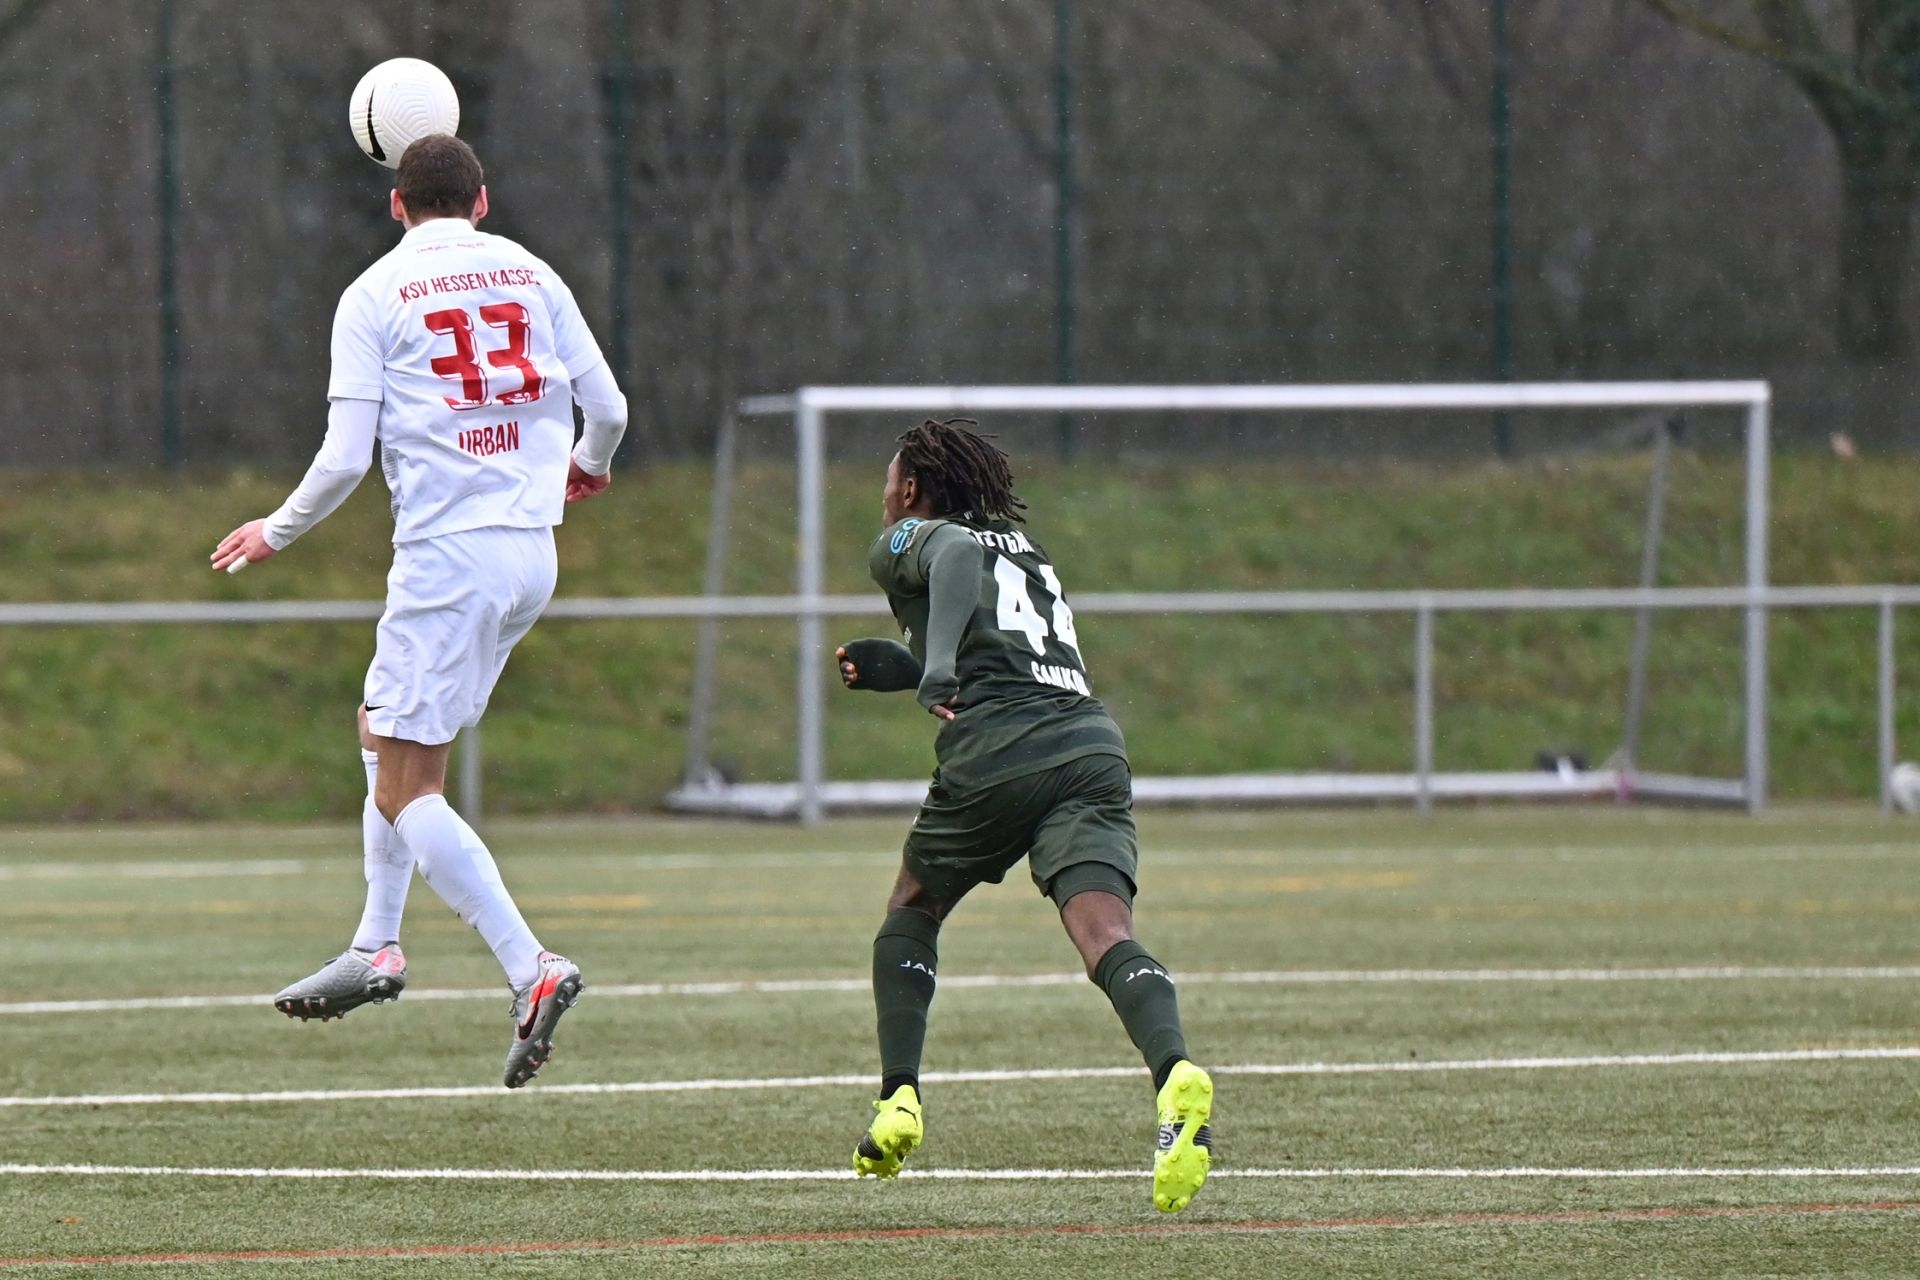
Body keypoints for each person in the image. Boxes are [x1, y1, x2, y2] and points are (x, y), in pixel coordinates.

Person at [210, 134, 627, 1089]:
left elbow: (344, 457)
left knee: (407, 790)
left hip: (448, 560)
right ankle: (375, 944)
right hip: (532, 553)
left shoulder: (374, 293)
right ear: (482, 201)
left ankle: (530, 966)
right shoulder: (532, 272)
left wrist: (275, 529)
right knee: (381, 725)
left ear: (396, 206)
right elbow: (609, 408)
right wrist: (588, 466)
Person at [834, 418, 1213, 1213]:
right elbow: (1002, 649)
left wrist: (937, 665)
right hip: (1089, 747)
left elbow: (953, 558)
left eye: (889, 483)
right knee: (1106, 935)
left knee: (913, 907)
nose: (884, 497)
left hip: (999, 753)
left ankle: (898, 1098)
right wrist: (908, 670)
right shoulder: (1028, 552)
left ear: (912, 489)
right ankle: (1176, 1072)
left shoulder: (908, 537)